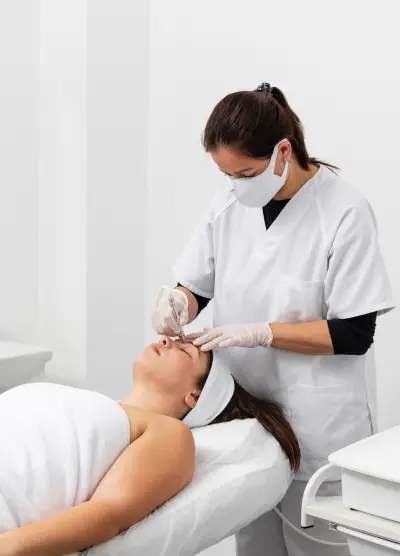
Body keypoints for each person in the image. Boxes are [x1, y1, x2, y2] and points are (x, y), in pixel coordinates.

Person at [152, 82, 395, 556]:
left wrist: (261, 333)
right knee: (255, 544)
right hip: (245, 424)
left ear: (284, 151)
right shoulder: (228, 204)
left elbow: (354, 333)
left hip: (317, 422)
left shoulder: (344, 212)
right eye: (228, 176)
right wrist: (179, 302)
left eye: (245, 173)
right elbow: (197, 285)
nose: (237, 186)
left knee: (316, 548)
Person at [0, 337, 300, 556]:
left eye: (184, 350)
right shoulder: (90, 403)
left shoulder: (169, 434)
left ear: (195, 397)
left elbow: (108, 514)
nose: (167, 340)